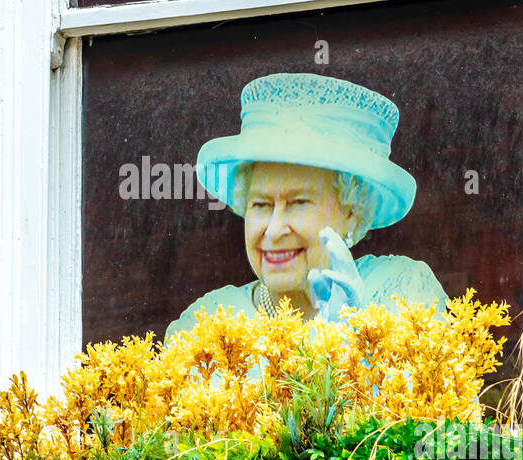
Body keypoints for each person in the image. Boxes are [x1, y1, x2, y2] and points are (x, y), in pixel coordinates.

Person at [166, 72, 449, 340]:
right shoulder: (206, 326)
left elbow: (438, 391)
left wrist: (360, 341)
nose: (274, 231)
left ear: (352, 211)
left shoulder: (402, 294)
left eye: (299, 203)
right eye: (261, 205)